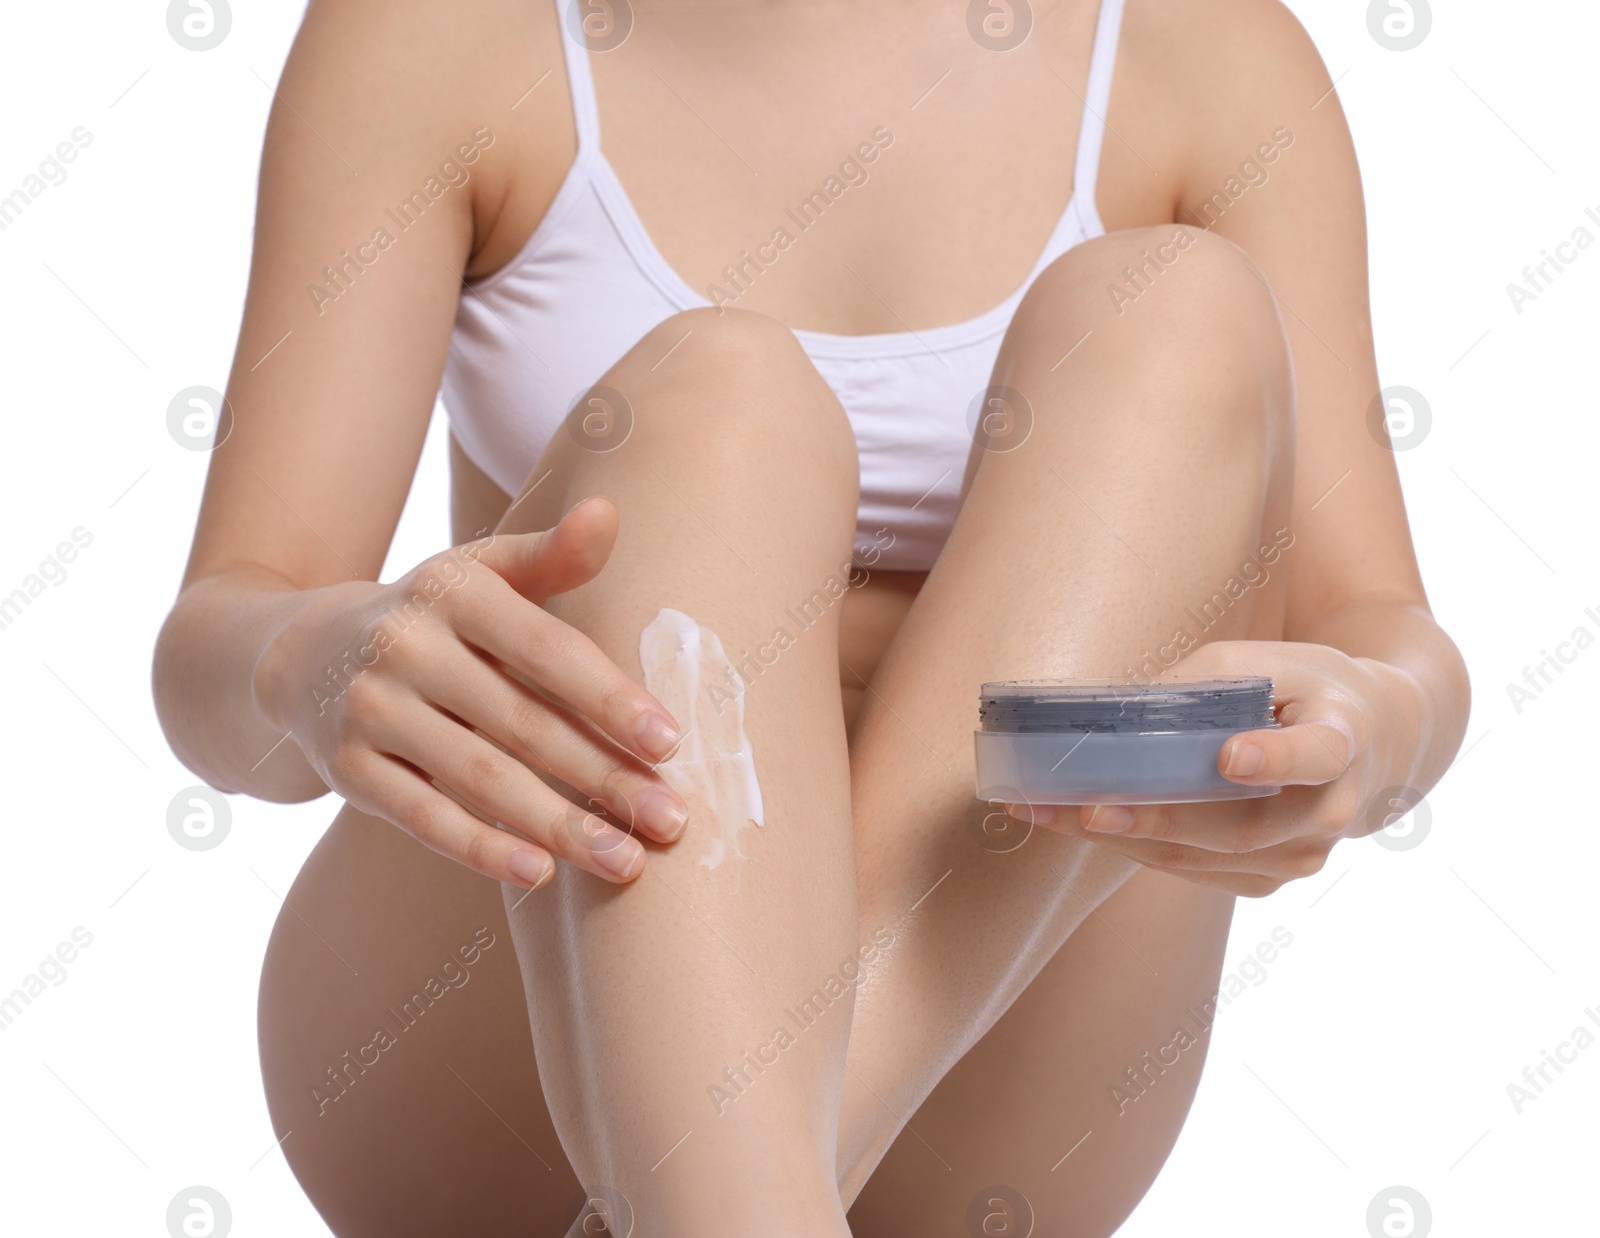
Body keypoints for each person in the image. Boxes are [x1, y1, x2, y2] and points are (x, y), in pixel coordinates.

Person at [151, 0, 1469, 1233]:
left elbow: (1384, 631)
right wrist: (315, 670)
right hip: (508, 1015)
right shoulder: (438, 35)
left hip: (1005, 1036)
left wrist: (1375, 725)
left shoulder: (1207, 58)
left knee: (1185, 309)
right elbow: (224, 635)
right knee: (721, 402)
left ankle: (718, 1191)